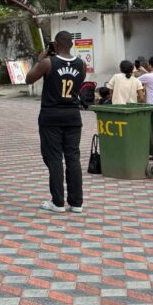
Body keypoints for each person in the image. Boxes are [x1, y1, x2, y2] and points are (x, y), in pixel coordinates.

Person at [26, 31, 86, 215]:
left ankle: (58, 202)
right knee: (73, 158)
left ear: (57, 44)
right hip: (73, 115)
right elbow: (79, 83)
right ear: (71, 44)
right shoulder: (81, 64)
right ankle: (76, 203)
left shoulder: (48, 63)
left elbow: (28, 79)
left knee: (54, 158)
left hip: (51, 115)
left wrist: (40, 59)